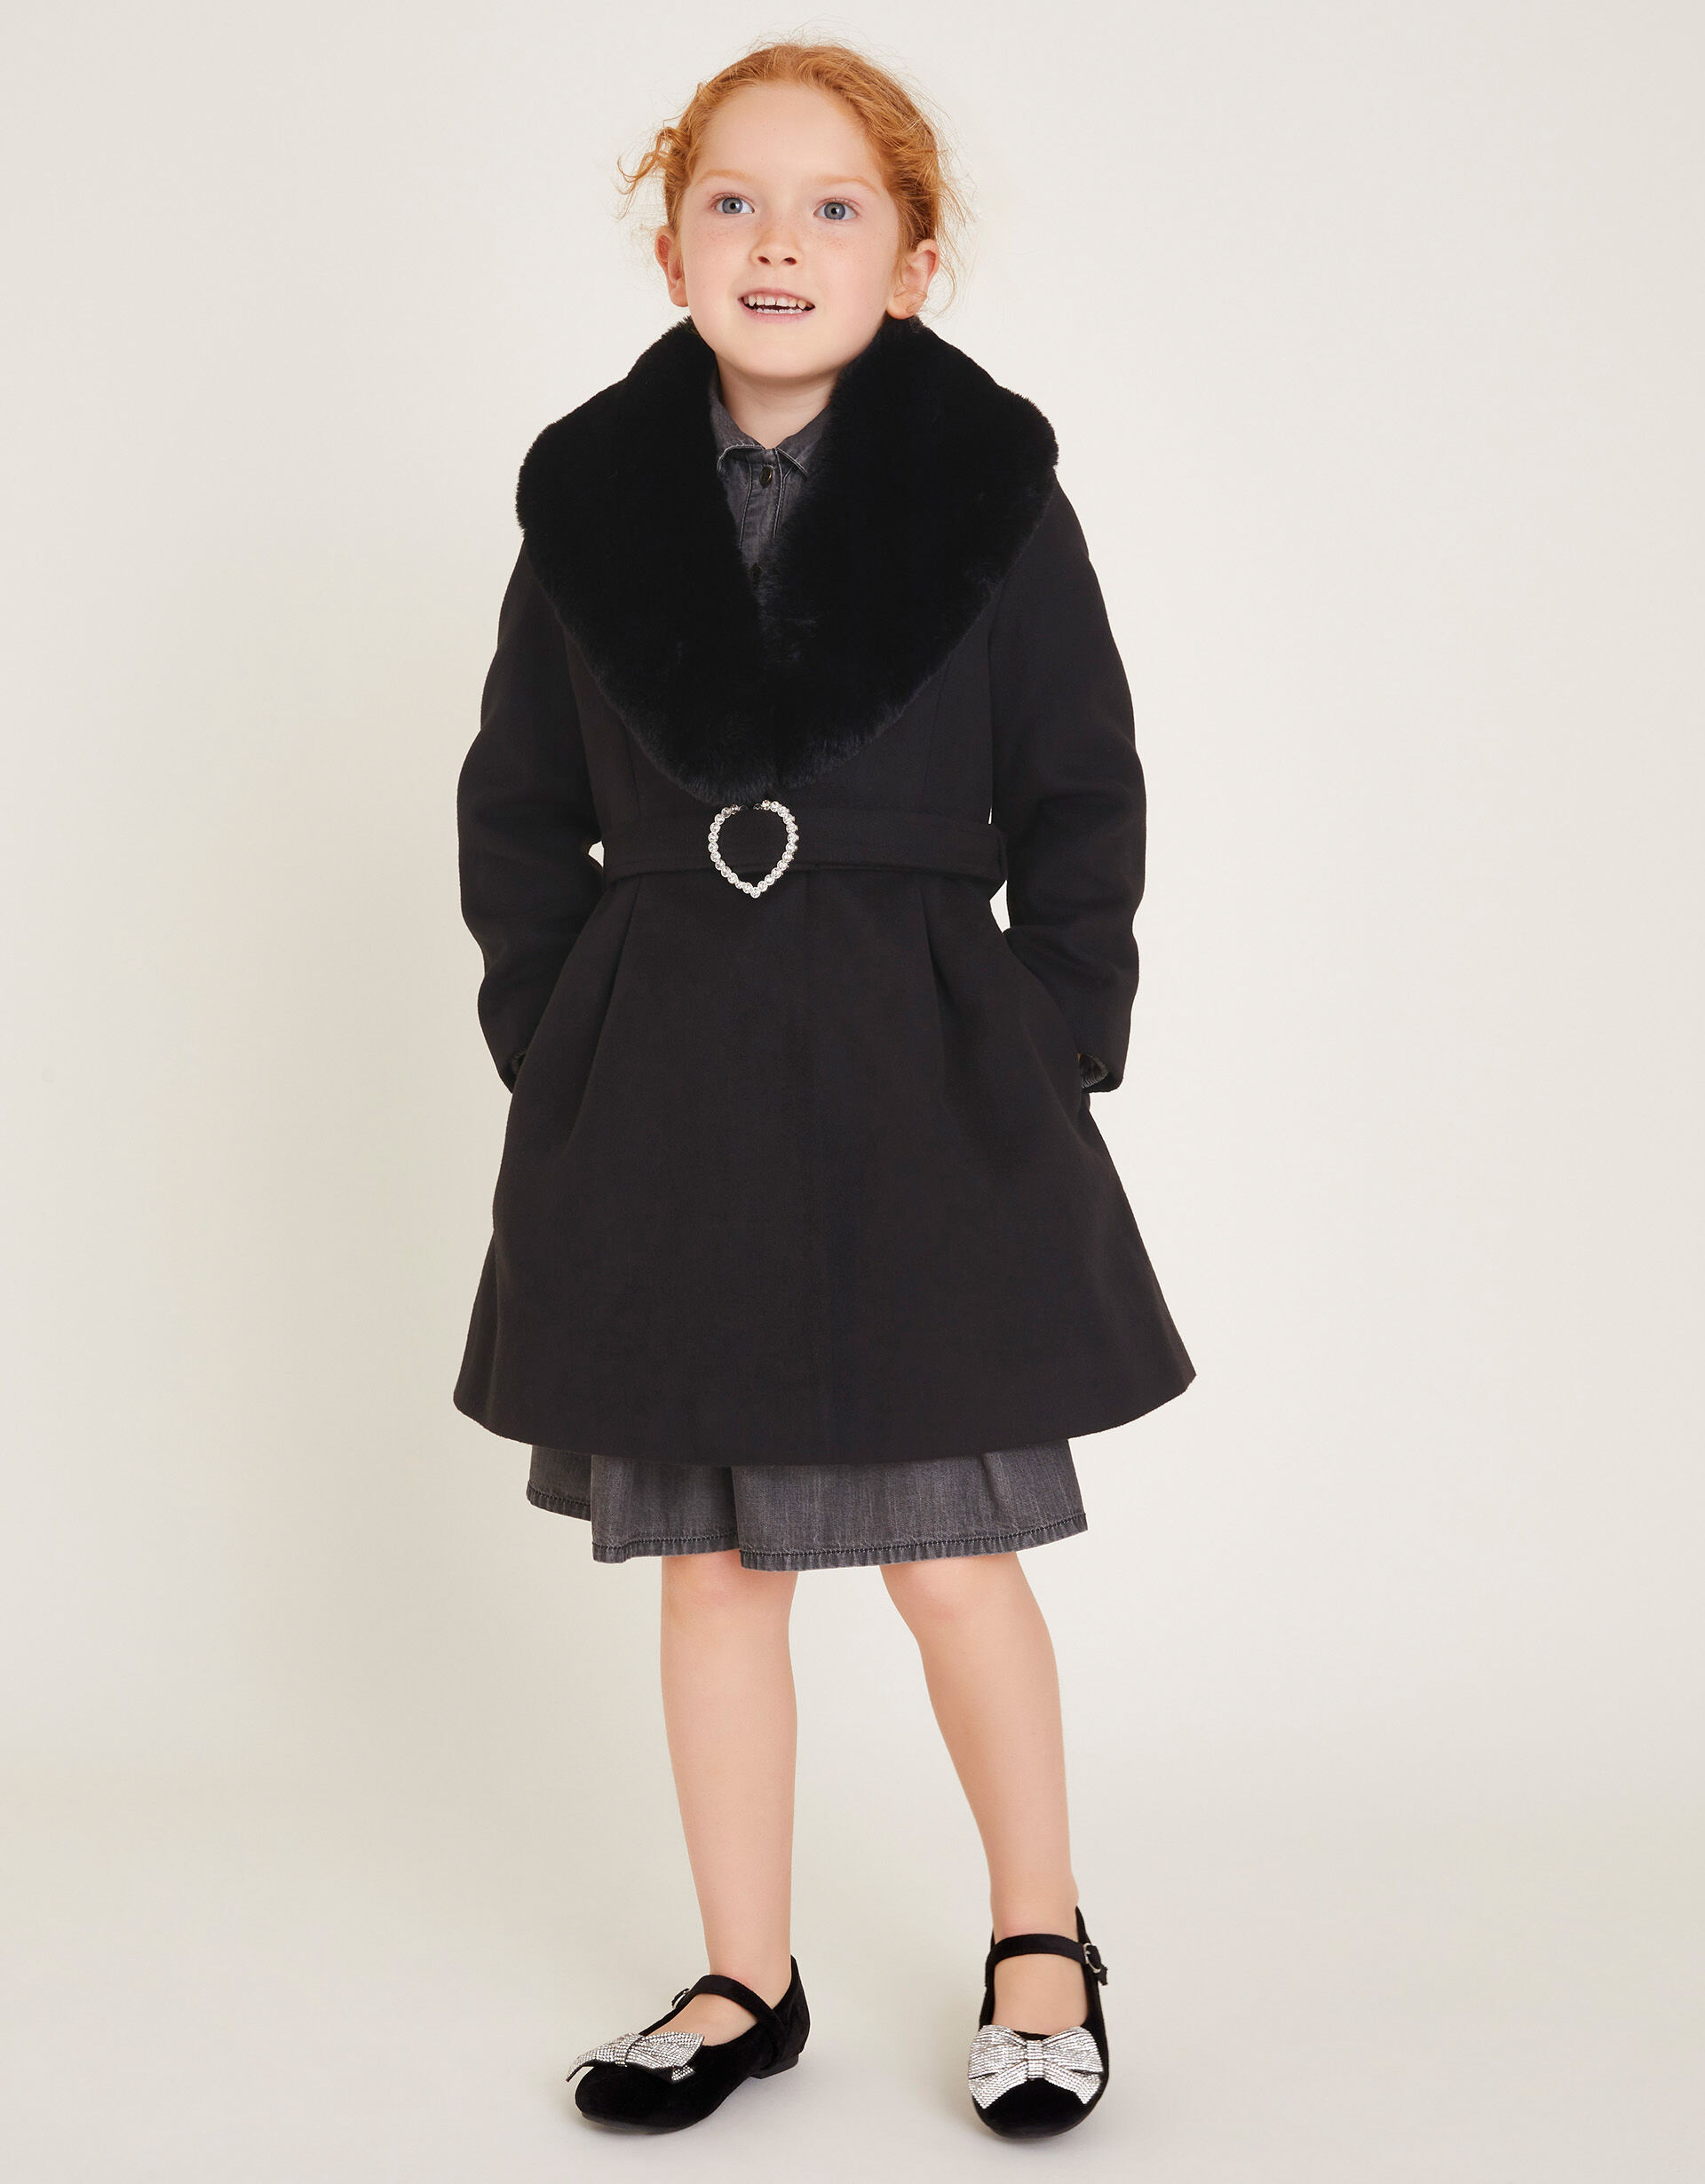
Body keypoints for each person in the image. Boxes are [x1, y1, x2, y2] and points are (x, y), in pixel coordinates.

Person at [453, 38, 1195, 2138]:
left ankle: (1040, 1937)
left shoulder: (993, 500)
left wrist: (1042, 1039)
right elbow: (518, 811)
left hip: (924, 1081)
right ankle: (743, 1974)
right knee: (715, 1569)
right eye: (734, 201)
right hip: (669, 1094)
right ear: (669, 241)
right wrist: (564, 1040)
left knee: (951, 1552)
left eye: (834, 206)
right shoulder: (588, 505)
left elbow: (1084, 793)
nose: (778, 241)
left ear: (914, 261)